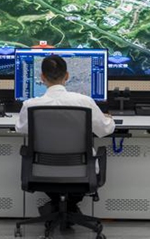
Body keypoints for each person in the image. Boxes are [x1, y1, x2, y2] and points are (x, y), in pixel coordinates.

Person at [15, 54, 115, 216]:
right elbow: (104, 130)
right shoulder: (84, 102)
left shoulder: (31, 105)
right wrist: (108, 119)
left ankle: (59, 207)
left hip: (41, 170)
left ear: (42, 77)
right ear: (67, 76)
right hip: (81, 170)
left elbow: (21, 129)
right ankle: (69, 207)